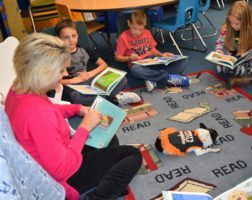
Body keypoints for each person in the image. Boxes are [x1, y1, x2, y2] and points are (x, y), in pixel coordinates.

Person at [5, 33, 142, 200]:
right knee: (133, 155)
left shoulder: (19, 88)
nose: (64, 75)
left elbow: (48, 108)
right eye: (61, 70)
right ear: (42, 73)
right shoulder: (38, 115)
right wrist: (84, 128)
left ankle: (107, 182)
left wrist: (77, 109)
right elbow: (62, 168)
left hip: (55, 153)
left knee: (108, 139)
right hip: (64, 176)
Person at [55, 18, 141, 106]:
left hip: (90, 79)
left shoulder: (85, 50)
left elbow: (104, 65)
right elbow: (53, 82)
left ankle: (101, 100)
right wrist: (73, 80)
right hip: (75, 86)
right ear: (59, 38)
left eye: (73, 36)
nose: (71, 40)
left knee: (122, 79)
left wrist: (90, 74)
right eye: (66, 37)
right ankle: (115, 98)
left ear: (78, 35)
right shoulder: (57, 56)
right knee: (76, 97)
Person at [115, 10, 191, 92]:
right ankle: (168, 78)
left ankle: (155, 80)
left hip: (152, 60)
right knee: (136, 70)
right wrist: (129, 58)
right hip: (138, 64)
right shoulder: (123, 37)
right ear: (129, 23)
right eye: (134, 28)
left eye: (140, 29)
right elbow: (117, 57)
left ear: (145, 25)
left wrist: (162, 55)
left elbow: (152, 50)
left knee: (183, 61)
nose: (137, 32)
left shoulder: (147, 32)